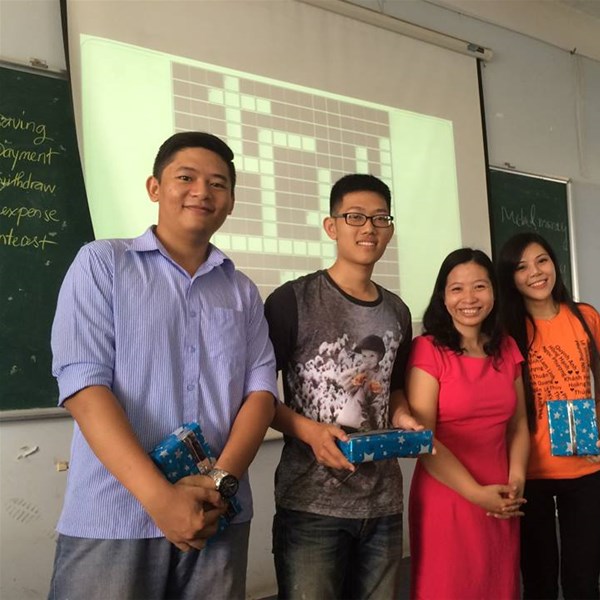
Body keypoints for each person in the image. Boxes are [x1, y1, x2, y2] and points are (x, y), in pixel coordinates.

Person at [49, 131, 278, 599]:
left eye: (217, 183)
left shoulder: (242, 291)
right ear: (155, 188)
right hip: (115, 515)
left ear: (231, 202)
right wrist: (161, 499)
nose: (202, 191)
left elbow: (260, 395)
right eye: (186, 178)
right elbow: (84, 388)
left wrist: (218, 486)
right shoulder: (102, 264)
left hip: (216, 516)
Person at [264, 173, 420, 599]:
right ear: (331, 226)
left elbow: (394, 388)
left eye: (380, 218)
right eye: (355, 217)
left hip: (383, 502)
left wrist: (404, 416)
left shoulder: (398, 311)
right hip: (310, 503)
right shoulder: (292, 300)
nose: (369, 227)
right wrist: (309, 432)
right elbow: (258, 397)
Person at [496, 232, 600, 600]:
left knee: (583, 585)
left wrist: (598, 432)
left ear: (554, 263)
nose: (535, 272)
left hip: (587, 472)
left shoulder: (585, 316)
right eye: (521, 267)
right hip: (528, 475)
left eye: (542, 260)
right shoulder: (505, 331)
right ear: (510, 277)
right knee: (539, 586)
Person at [406, 248, 530, 600]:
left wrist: (517, 480)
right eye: (457, 288)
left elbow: (519, 424)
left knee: (497, 587)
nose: (469, 298)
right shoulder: (428, 350)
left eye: (479, 286)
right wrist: (476, 494)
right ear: (443, 297)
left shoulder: (507, 348)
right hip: (448, 495)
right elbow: (424, 440)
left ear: (494, 292)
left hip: (502, 495)